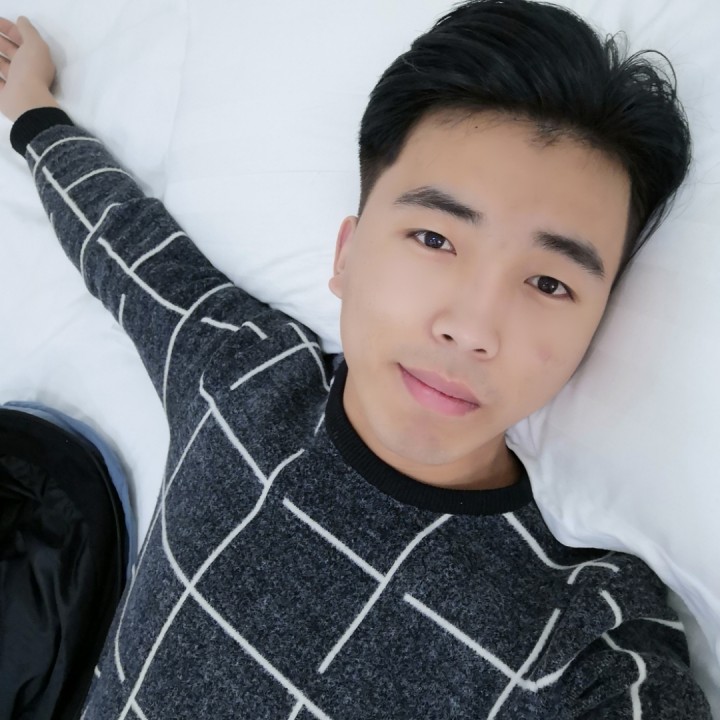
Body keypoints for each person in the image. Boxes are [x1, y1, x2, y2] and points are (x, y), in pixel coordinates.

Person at [0, 1, 712, 717]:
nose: (471, 329)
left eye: (549, 284)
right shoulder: (241, 374)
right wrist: (30, 104)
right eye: (434, 240)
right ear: (346, 255)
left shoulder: (586, 640)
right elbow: (122, 240)